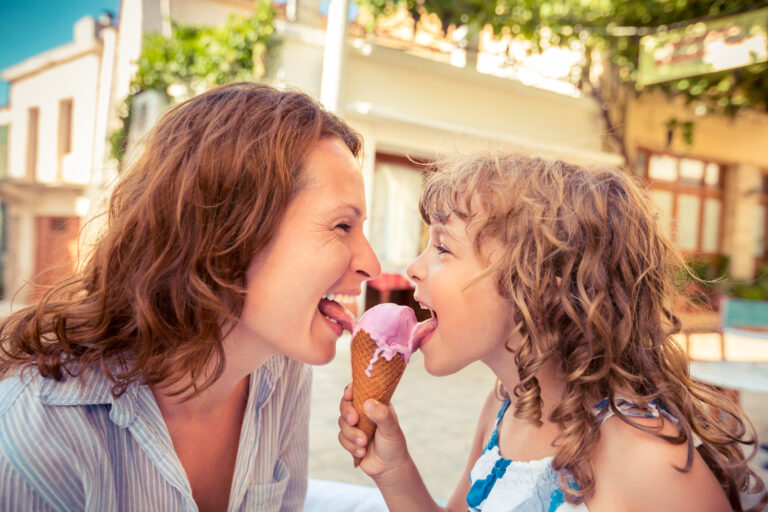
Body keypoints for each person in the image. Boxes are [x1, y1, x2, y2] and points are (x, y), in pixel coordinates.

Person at [0, 82, 381, 511]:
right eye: (342, 226)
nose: (372, 264)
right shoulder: (36, 435)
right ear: (231, 233)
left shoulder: (282, 370)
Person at [338, 152, 767, 511]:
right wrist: (393, 471)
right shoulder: (506, 404)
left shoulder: (646, 459)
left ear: (543, 286)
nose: (414, 268)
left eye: (444, 247)